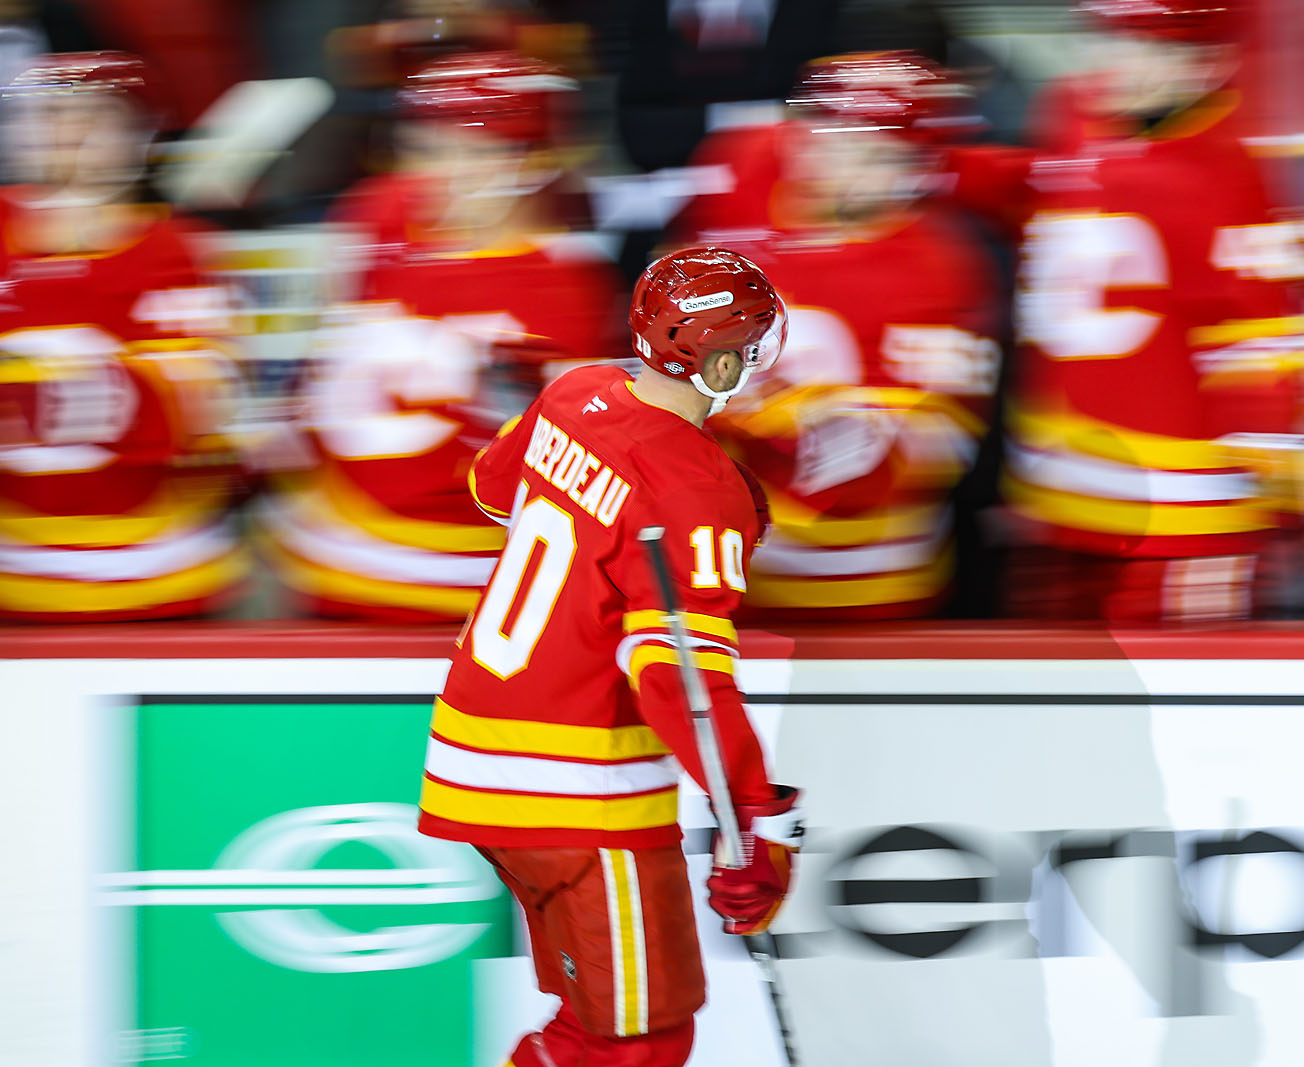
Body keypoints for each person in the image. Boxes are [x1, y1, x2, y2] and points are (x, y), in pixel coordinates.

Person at [418, 246, 803, 1067]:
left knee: (599, 1024)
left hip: (478, 759)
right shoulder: (700, 490)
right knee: (637, 1040)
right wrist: (754, 820)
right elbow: (678, 678)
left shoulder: (573, 389)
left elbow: (492, 488)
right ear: (724, 359)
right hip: (578, 791)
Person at [988, 0, 1304, 623]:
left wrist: (1278, 489)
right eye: (1117, 40)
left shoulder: (1234, 173)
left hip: (1184, 518)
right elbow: (1042, 195)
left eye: (1160, 49)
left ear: (1213, 63)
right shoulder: (1072, 115)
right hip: (1058, 500)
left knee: (1185, 700)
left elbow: (1261, 339)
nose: (1126, 65)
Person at [263, 52, 623, 621]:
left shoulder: (562, 282)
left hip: (476, 585)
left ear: (536, 159)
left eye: (479, 150)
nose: (448, 169)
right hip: (334, 564)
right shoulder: (376, 226)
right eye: (433, 146)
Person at [673, 51, 1001, 619]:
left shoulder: (942, 268)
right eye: (832, 139)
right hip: (729, 576)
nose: (844, 167)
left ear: (919, 167)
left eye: (876, 155)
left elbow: (927, 452)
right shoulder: (740, 178)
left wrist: (768, 421)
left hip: (872, 583)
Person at [0, 52, 246, 621]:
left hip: (152, 571)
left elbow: (206, 410)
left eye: (95, 117)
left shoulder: (176, 249)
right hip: (11, 577)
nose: (70, 134)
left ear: (138, 137)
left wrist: (44, 378)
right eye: (53, 116)